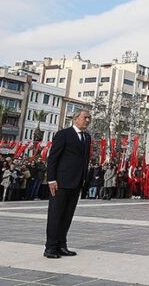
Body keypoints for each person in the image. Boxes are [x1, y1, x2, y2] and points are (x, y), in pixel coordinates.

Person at [44, 109, 91, 259]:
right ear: (75, 119)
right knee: (55, 215)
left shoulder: (87, 137)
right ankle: (50, 247)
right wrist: (51, 179)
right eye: (85, 117)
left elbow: (85, 160)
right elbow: (53, 158)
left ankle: (61, 245)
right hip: (61, 182)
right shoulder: (63, 134)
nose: (88, 120)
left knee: (67, 216)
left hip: (76, 182)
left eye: (89, 118)